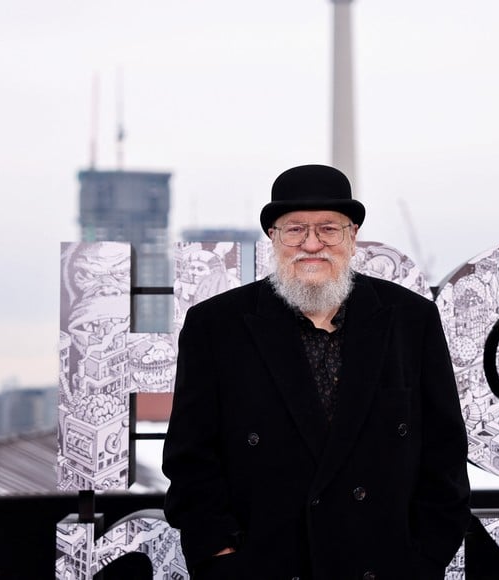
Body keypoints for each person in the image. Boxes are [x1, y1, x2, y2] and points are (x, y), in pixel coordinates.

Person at [162, 164, 470, 579]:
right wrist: (218, 555)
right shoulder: (216, 325)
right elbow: (190, 458)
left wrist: (427, 557)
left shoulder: (410, 320)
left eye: (328, 228)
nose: (312, 244)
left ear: (353, 236)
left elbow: (444, 449)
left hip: (384, 565)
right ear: (273, 238)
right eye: (294, 230)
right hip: (264, 566)